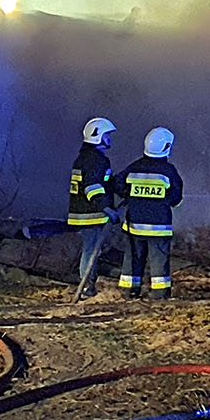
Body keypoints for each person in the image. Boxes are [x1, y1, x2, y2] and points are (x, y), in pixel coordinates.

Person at [114, 127, 183, 300]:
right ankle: (159, 295)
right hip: (158, 228)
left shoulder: (134, 167)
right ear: (167, 147)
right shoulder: (168, 171)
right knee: (158, 261)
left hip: (134, 225)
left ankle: (129, 292)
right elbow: (176, 198)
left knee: (132, 259)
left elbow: (118, 185)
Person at [67, 117, 117, 300]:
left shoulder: (85, 158)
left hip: (83, 211)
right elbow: (92, 187)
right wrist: (107, 209)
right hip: (91, 213)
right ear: (98, 136)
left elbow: (104, 183)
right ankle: (87, 287)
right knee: (91, 249)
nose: (110, 139)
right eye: (107, 135)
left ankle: (88, 285)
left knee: (91, 248)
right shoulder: (96, 160)